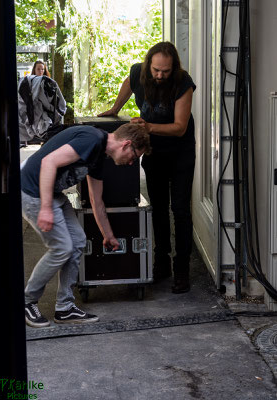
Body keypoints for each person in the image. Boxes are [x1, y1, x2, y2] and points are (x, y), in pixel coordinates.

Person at [21, 122, 151, 328]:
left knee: (78, 241)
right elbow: (48, 162)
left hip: (51, 193)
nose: (130, 163)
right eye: (134, 157)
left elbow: (95, 200)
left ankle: (64, 308)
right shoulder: (91, 139)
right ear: (126, 145)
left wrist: (107, 235)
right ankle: (27, 301)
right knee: (61, 248)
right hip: (32, 191)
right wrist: (45, 207)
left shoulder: (99, 155)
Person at [98, 41, 196, 294]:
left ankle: (182, 271)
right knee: (159, 208)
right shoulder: (138, 71)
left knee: (181, 209)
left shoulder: (183, 82)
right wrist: (116, 109)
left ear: (173, 67)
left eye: (165, 71)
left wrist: (148, 127)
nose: (160, 75)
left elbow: (180, 127)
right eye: (156, 70)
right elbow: (129, 84)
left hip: (180, 152)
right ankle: (161, 264)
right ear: (148, 65)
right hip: (154, 151)